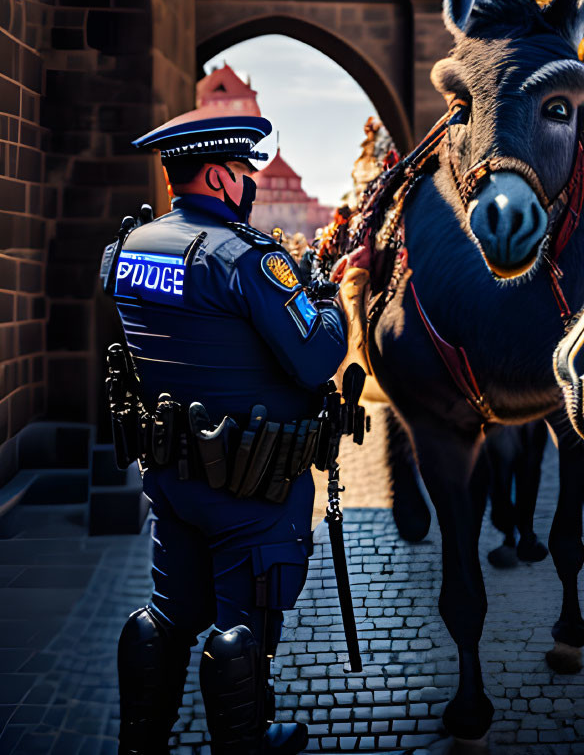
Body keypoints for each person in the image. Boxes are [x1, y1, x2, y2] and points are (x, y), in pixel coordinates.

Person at [103, 113, 347, 754]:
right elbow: (318, 355)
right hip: (251, 486)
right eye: (243, 172)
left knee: (169, 614)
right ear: (217, 174)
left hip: (172, 475)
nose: (250, 185)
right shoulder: (245, 258)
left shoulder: (134, 247)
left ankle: (140, 743)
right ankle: (245, 744)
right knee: (242, 631)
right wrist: (328, 299)